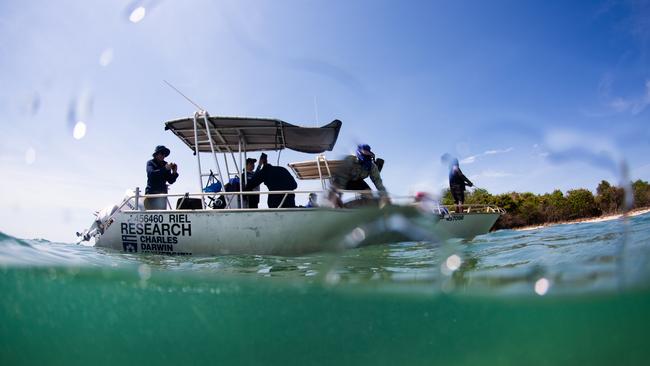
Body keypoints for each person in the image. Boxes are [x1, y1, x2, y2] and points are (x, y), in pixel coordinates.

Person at [145, 145, 179, 210]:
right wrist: (165, 169)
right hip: (151, 196)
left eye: (164, 154)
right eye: (162, 153)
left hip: (162, 197)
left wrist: (174, 172)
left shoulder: (165, 164)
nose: (163, 156)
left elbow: (170, 180)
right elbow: (151, 174)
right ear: (156, 154)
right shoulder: (150, 163)